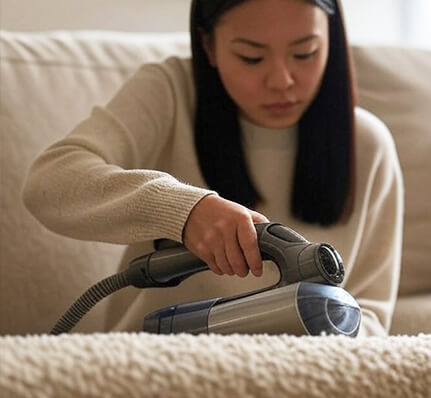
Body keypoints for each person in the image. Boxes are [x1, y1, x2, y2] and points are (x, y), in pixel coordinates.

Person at [22, 0, 403, 337]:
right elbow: (50, 182)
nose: (282, 81)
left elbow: (368, 314)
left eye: (305, 53)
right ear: (209, 45)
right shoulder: (168, 94)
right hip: (150, 362)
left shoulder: (367, 144)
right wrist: (183, 212)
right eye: (251, 57)